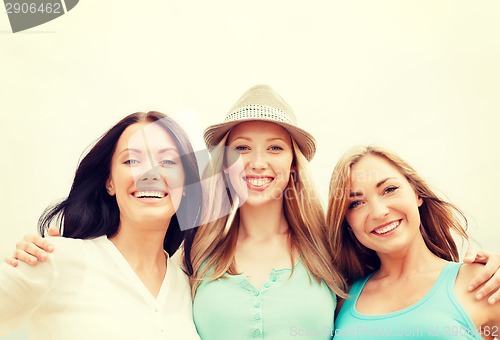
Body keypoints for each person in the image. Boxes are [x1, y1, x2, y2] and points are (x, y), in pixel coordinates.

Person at [0, 111, 202, 340]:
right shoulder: (54, 259)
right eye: (132, 161)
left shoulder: (190, 287)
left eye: (167, 161)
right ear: (110, 183)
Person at [187, 84, 346, 339]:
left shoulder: (331, 247)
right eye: (241, 148)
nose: (258, 163)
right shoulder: (194, 250)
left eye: (275, 148)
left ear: (293, 163)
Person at [327, 146, 499, 339]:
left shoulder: (483, 282)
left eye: (389, 189)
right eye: (356, 203)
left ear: (417, 194)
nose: (378, 212)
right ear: (347, 222)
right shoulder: (340, 300)